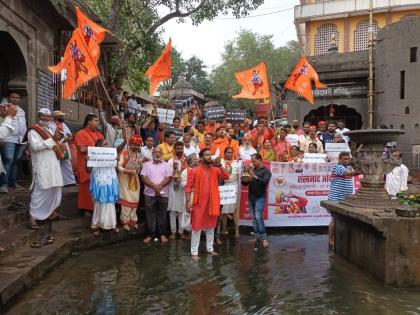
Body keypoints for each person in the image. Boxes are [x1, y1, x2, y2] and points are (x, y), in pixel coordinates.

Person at [26, 108, 63, 247]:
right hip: (42, 166)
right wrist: (51, 140)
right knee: (40, 190)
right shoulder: (33, 131)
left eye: (48, 117)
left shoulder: (48, 131)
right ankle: (32, 216)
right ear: (38, 117)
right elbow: (35, 147)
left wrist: (59, 140)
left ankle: (49, 212)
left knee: (54, 187)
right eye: (43, 116)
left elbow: (53, 145)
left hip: (52, 165)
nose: (46, 118)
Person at [185, 148, 229, 260]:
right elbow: (188, 187)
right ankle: (194, 252)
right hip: (199, 204)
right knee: (196, 228)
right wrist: (188, 202)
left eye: (210, 154)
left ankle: (210, 249)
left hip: (212, 203)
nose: (209, 157)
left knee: (210, 227)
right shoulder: (194, 171)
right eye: (207, 155)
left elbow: (226, 176)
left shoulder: (215, 169)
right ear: (201, 158)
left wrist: (219, 165)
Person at [327, 151, 360, 249]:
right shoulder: (338, 167)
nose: (347, 161)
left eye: (348, 159)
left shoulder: (349, 166)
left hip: (346, 198)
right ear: (339, 159)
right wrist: (363, 170)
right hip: (336, 198)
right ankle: (330, 240)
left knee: (343, 220)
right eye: (345, 159)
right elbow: (350, 174)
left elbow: (352, 170)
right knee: (334, 219)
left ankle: (340, 239)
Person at [141, 147, 172, 243]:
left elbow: (169, 177)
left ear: (162, 154)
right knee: (150, 214)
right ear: (152, 153)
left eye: (159, 152)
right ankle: (151, 234)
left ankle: (162, 234)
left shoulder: (166, 165)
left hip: (163, 193)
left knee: (162, 214)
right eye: (155, 152)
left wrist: (160, 186)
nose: (157, 154)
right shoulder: (146, 164)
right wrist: (154, 186)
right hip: (149, 194)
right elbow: (143, 177)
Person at [75, 113, 104, 212]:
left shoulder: (99, 134)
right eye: (96, 121)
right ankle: (86, 209)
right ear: (89, 122)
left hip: (98, 165)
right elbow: (82, 149)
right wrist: (96, 149)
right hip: (85, 164)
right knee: (86, 187)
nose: (98, 123)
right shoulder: (80, 133)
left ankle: (95, 208)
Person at [90, 139, 119, 235]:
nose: (107, 145)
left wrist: (116, 160)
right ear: (99, 146)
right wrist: (88, 160)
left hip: (110, 181)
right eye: (104, 144)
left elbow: (116, 167)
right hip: (99, 181)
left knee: (110, 203)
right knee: (99, 203)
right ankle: (97, 225)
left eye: (107, 144)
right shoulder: (95, 156)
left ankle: (111, 225)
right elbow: (88, 170)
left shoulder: (111, 155)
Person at [242, 153, 272, 248]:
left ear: (259, 160)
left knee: (258, 217)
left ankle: (264, 238)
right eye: (252, 161)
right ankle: (257, 236)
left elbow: (265, 182)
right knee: (254, 219)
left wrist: (254, 175)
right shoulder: (252, 170)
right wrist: (245, 176)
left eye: (254, 161)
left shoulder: (266, 171)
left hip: (260, 197)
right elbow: (245, 184)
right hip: (251, 197)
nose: (252, 163)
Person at [0, 91, 27, 193]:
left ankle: (13, 182)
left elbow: (24, 125)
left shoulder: (21, 111)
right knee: (8, 161)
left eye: (17, 98)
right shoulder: (4, 107)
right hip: (8, 139)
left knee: (16, 162)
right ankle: (4, 184)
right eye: (13, 97)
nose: (15, 99)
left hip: (21, 140)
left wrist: (26, 140)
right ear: (8, 98)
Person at [118, 135, 142, 231]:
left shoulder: (137, 155)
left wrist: (139, 166)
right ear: (130, 144)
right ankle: (125, 221)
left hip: (135, 180)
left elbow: (138, 170)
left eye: (138, 145)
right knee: (126, 201)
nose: (136, 147)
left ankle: (133, 221)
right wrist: (126, 171)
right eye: (135, 145)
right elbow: (118, 166)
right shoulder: (124, 153)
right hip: (124, 179)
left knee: (135, 200)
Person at [49, 110, 76, 186]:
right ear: (55, 117)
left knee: (67, 163)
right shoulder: (51, 125)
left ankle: (70, 182)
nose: (62, 117)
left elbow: (69, 135)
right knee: (57, 163)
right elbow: (54, 136)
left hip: (64, 146)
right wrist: (63, 138)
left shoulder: (64, 124)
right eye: (61, 116)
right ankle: (58, 182)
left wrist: (67, 137)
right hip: (56, 146)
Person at [167, 141, 187, 239]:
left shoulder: (186, 161)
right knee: (173, 211)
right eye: (178, 149)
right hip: (173, 188)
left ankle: (181, 231)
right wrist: (175, 170)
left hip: (183, 189)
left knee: (181, 211)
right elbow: (170, 176)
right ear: (174, 150)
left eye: (181, 149)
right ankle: (173, 232)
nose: (179, 150)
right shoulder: (171, 161)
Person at [221, 147, 241, 238]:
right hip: (224, 186)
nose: (229, 154)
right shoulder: (221, 162)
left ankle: (237, 231)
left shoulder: (237, 163)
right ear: (224, 153)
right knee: (224, 211)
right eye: (228, 152)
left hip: (234, 187)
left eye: (231, 152)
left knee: (235, 211)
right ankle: (224, 228)